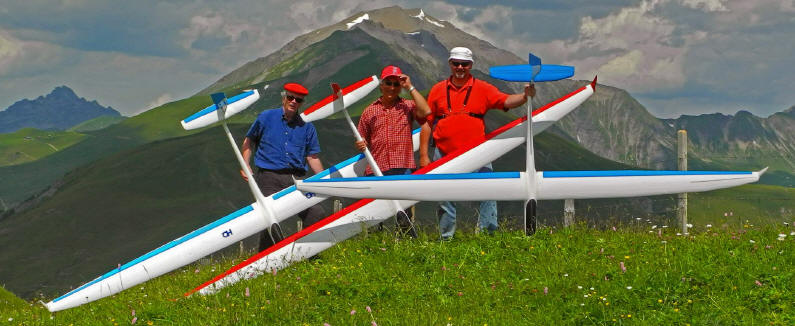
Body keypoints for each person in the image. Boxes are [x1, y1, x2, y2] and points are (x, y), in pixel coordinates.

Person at [419, 47, 535, 240]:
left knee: (488, 191)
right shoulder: (437, 89)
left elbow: (506, 101)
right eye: (456, 63)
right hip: (444, 152)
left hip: (478, 152)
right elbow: (427, 124)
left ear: (471, 65)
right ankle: (446, 238)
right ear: (450, 64)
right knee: (444, 196)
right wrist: (424, 155)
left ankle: (487, 236)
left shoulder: (482, 88)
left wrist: (525, 96)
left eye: (464, 64)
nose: (460, 67)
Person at [240, 82, 325, 251]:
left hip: (296, 179)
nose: (293, 102)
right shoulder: (266, 117)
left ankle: (308, 252)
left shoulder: (307, 126)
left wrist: (325, 180)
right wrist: (245, 164)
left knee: (316, 212)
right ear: (284, 98)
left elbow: (312, 156)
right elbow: (248, 141)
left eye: (298, 100)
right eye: (290, 97)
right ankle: (266, 258)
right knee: (270, 220)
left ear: (302, 103)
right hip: (268, 177)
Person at [355, 65, 432, 237]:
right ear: (381, 85)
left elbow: (426, 111)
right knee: (374, 214)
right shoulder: (369, 111)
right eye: (388, 83)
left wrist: (409, 87)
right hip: (376, 168)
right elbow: (361, 138)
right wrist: (360, 144)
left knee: (404, 213)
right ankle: (375, 245)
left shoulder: (408, 106)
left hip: (403, 167)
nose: (392, 87)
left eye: (396, 84)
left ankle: (405, 245)